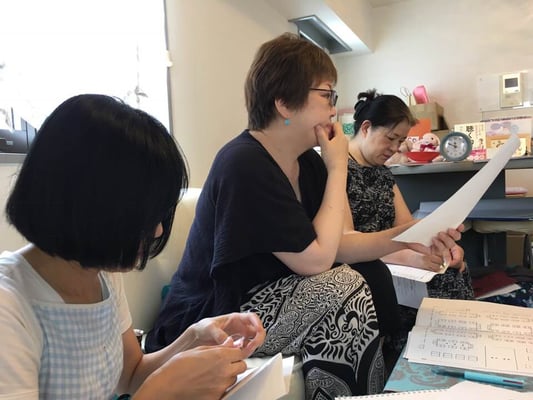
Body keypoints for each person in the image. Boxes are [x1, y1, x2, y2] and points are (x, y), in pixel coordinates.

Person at [146, 33, 462, 400]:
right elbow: (316, 260)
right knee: (341, 288)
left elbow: (340, 243)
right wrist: (338, 167)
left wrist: (412, 235)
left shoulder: (307, 163)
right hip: (219, 311)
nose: (333, 110)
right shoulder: (244, 163)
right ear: (284, 103)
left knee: (367, 273)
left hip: (271, 297)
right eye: (327, 96)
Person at [0, 94, 265, 400]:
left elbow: (131, 375)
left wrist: (195, 336)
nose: (158, 230)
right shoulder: (10, 305)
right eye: (145, 215)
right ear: (90, 204)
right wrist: (165, 389)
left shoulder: (102, 274)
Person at [346, 89, 474, 349]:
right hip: (364, 263)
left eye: (401, 140)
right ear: (366, 128)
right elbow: (347, 243)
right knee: (439, 283)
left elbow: (407, 228)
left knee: (450, 269)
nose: (395, 149)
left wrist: (442, 249)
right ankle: (422, 354)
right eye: (391, 138)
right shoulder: (339, 170)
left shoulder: (382, 173)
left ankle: (459, 353)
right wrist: (412, 258)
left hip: (394, 257)